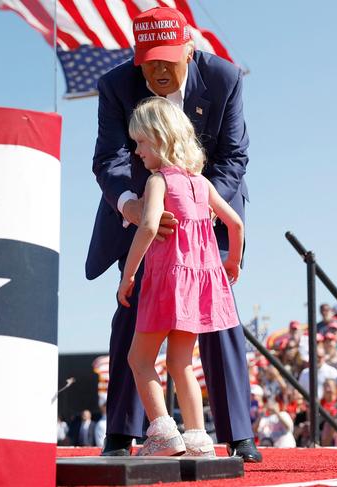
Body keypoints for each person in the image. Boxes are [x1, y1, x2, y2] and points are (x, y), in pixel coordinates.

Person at [85, 6, 260, 462]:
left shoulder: (224, 78)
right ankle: (121, 432)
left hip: (207, 214)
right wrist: (135, 205)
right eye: (149, 60)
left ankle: (238, 434)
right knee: (132, 317)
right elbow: (111, 160)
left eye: (168, 58)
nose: (158, 70)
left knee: (218, 322)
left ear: (190, 48)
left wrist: (194, 206)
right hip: (145, 213)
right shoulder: (115, 85)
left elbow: (234, 156)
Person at [117, 97, 244, 456]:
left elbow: (148, 224)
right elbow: (234, 223)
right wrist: (231, 261)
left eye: (140, 142)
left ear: (158, 139)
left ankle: (162, 432)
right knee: (181, 362)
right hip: (198, 283)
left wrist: (128, 274)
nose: (137, 150)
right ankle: (198, 437)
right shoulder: (200, 183)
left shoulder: (158, 181)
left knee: (139, 360)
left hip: (166, 280)